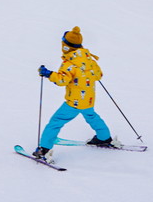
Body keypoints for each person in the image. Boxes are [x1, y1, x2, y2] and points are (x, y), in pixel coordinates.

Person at [32, 26, 115, 162]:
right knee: (91, 116)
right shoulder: (89, 60)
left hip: (74, 102)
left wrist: (48, 74)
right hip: (88, 99)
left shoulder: (69, 63)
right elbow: (98, 75)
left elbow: (62, 80)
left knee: (56, 122)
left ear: (65, 47)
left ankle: (44, 149)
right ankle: (104, 137)